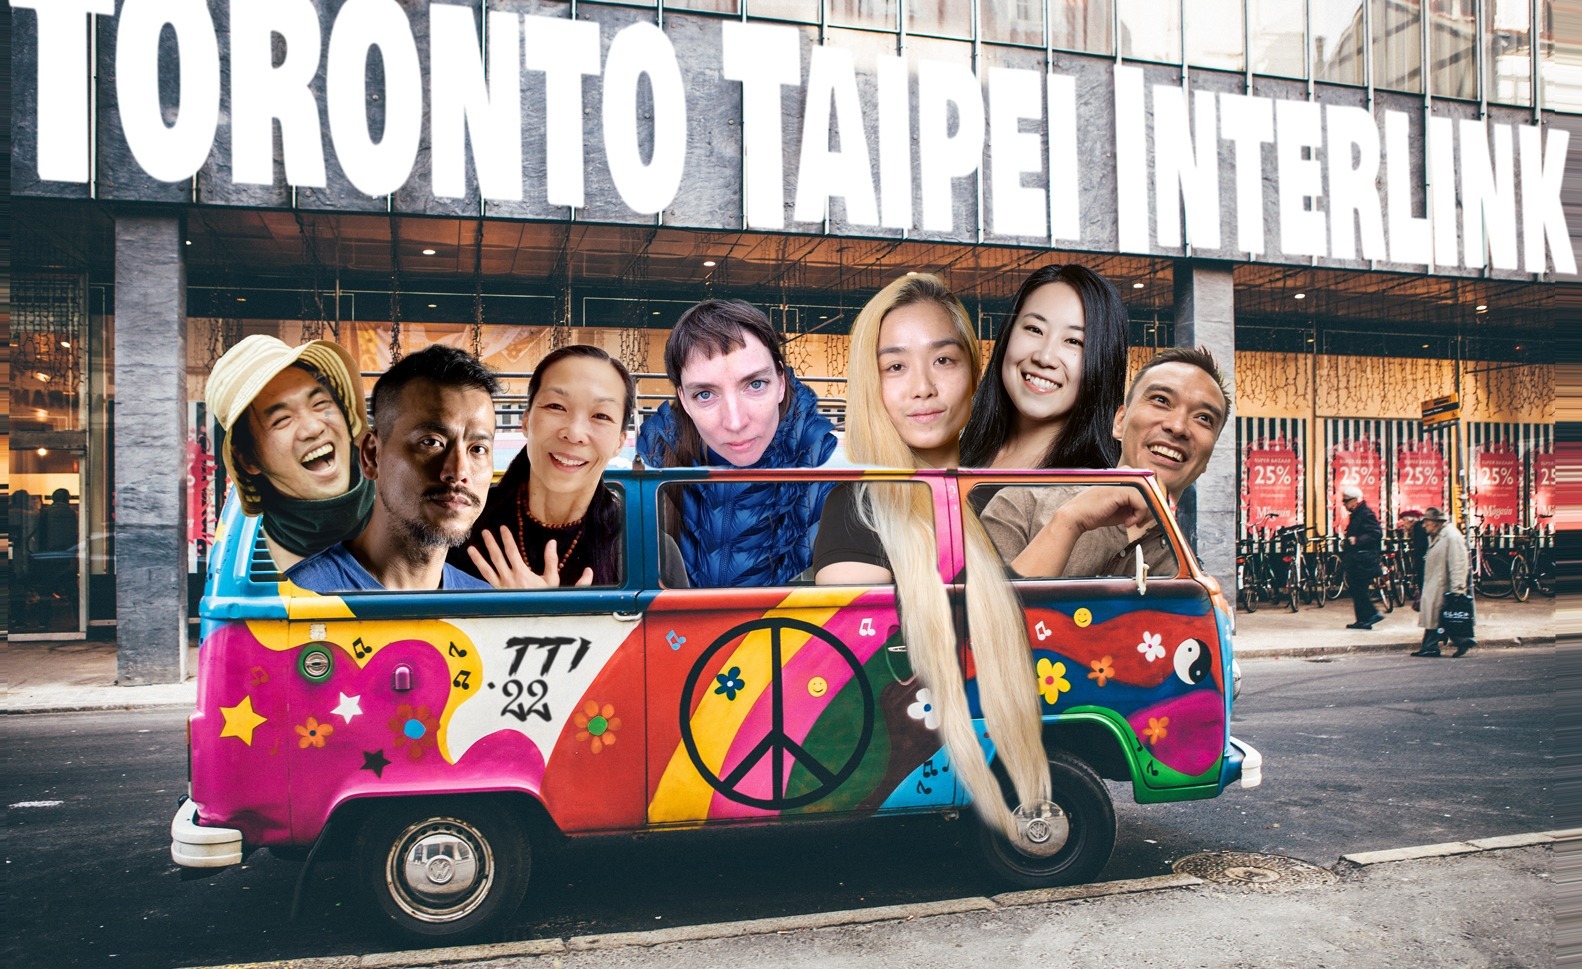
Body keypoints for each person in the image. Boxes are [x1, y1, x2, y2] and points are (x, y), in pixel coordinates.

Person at [812, 273, 1052, 848]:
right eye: (895, 366)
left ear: (973, 373)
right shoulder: (856, 508)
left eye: (943, 360)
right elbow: (856, 667)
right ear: (872, 385)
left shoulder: (1014, 492)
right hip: (897, 787)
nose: (922, 386)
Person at [636, 300, 838, 587]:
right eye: (705, 394)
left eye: (755, 384)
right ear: (683, 400)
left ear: (781, 382)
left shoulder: (838, 481)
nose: (735, 421)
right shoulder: (649, 492)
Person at [982, 346, 1229, 579]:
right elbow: (980, 618)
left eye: (1204, 418)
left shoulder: (1184, 572)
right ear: (1119, 422)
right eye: (1161, 400)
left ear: (1208, 458)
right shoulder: (1022, 505)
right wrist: (1070, 522)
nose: (1177, 427)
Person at [287, 346, 499, 593]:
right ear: (371, 455)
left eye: (478, 449)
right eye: (431, 442)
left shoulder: (484, 608)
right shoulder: (300, 601)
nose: (458, 471)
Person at [452, 345, 634, 588]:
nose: (574, 433)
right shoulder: (460, 520)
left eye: (601, 416)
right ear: (526, 420)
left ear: (619, 442)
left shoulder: (643, 545)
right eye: (556, 406)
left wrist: (556, 619)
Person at [206, 335, 374, 569]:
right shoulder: (261, 565)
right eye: (282, 420)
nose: (313, 428)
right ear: (249, 459)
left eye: (320, 404)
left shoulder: (415, 500)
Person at [960, 264, 1129, 471]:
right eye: (1034, 329)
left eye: (1074, 341)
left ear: (1104, 362)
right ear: (1007, 334)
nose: (1045, 357)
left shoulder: (1093, 488)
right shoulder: (959, 450)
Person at [1414, 507, 1474, 657]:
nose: (1424, 526)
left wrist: (1457, 589)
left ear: (1435, 523)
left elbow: (1458, 564)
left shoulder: (1452, 537)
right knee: (1437, 618)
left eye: (1426, 522)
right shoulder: (1436, 536)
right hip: (1435, 584)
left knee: (1444, 617)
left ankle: (1460, 641)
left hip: (1444, 585)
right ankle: (1430, 646)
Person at [1340, 484, 1385, 629]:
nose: (1345, 505)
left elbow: (1376, 533)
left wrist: (1358, 540)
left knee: (1359, 588)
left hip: (1363, 559)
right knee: (1356, 588)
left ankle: (1372, 614)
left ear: (1354, 500)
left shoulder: (1365, 513)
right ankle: (1363, 619)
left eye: (1346, 501)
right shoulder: (1358, 513)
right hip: (1358, 559)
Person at [1398, 509, 1428, 595]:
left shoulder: (1418, 529)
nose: (1403, 523)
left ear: (1410, 520)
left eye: (1404, 520)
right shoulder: (1419, 527)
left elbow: (1420, 548)